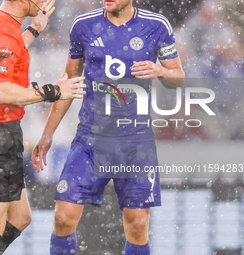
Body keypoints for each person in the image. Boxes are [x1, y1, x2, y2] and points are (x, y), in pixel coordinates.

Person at [32, 0, 185, 254]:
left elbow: (178, 78)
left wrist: (160, 71)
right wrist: (47, 133)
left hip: (135, 142)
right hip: (91, 139)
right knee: (63, 217)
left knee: (137, 224)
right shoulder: (83, 26)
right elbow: (69, 82)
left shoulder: (156, 26)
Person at [0, 0, 86, 254]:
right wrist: (52, 91)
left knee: (20, 218)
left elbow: (7, 54)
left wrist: (33, 31)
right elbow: (1, 91)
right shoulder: (5, 33)